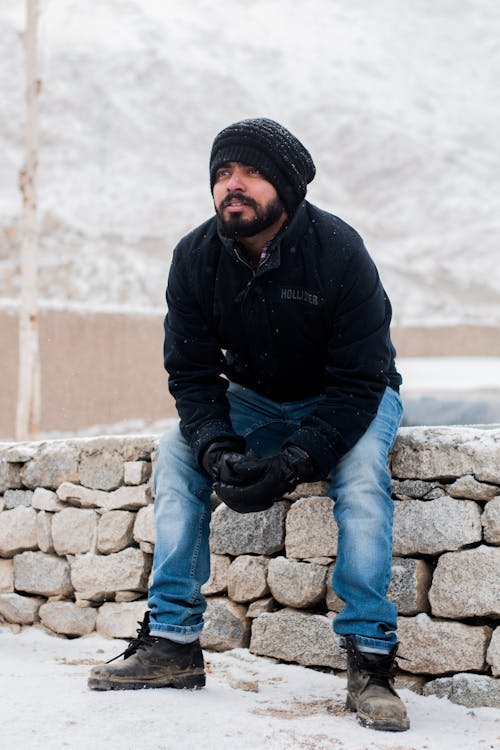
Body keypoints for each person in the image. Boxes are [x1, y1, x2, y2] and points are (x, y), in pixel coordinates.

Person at [88, 118, 409, 733]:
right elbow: (191, 374)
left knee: (364, 474)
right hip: (255, 398)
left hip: (349, 396)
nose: (232, 185)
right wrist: (214, 448)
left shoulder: (340, 251)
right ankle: (174, 642)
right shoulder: (195, 257)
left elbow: (359, 381)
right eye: (222, 174)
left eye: (250, 173)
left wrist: (297, 460)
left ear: (286, 187)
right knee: (176, 454)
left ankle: (370, 659)